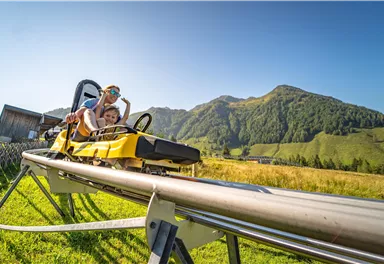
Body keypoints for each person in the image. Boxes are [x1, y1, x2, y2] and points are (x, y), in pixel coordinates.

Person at [65, 84, 131, 142]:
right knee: (88, 111)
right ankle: (96, 132)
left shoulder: (114, 111)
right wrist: (72, 116)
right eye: (113, 92)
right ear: (106, 91)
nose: (115, 96)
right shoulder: (93, 102)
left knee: (123, 128)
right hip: (83, 134)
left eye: (117, 95)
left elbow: (124, 121)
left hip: (101, 137)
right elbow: (78, 115)